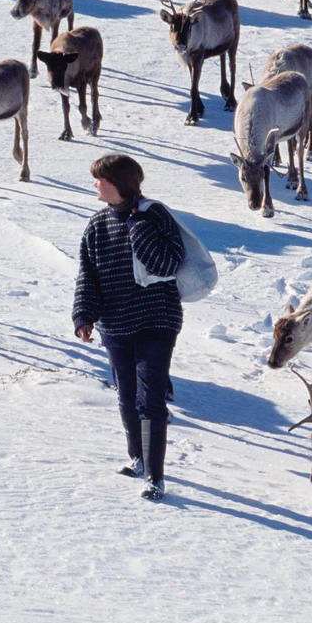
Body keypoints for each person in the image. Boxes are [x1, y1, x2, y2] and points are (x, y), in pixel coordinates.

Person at [73, 154, 184, 500]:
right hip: (115, 325)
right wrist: (84, 316)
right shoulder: (96, 225)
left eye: (99, 179)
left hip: (156, 321)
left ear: (118, 182)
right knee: (126, 397)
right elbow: (87, 275)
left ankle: (155, 477)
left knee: (150, 399)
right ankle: (137, 459)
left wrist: (137, 228)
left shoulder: (154, 216)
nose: (95, 184)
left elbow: (169, 262)